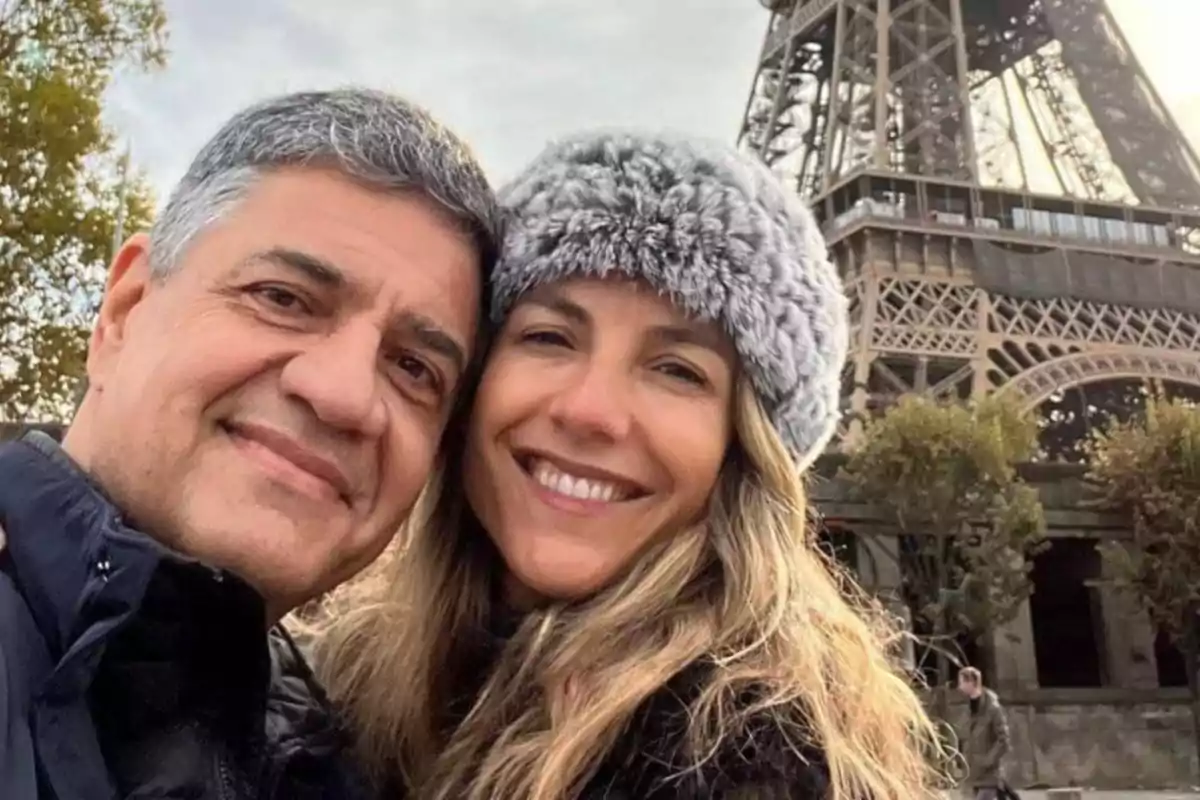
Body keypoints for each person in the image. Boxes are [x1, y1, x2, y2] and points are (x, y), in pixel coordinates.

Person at [313, 132, 949, 799]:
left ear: (741, 451)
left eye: (676, 370)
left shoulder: (752, 763)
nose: (592, 412)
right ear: (474, 380)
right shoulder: (338, 688)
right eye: (549, 337)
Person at [0, 88, 499, 799]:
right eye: (283, 298)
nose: (345, 395)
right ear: (123, 312)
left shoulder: (359, 763)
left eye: (415, 369)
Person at [957, 667, 1015, 800]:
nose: (959, 687)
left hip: (988, 774)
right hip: (972, 772)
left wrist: (988, 760)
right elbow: (966, 736)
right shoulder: (967, 708)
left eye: (962, 682)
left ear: (971, 682)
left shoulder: (993, 708)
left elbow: (1004, 739)